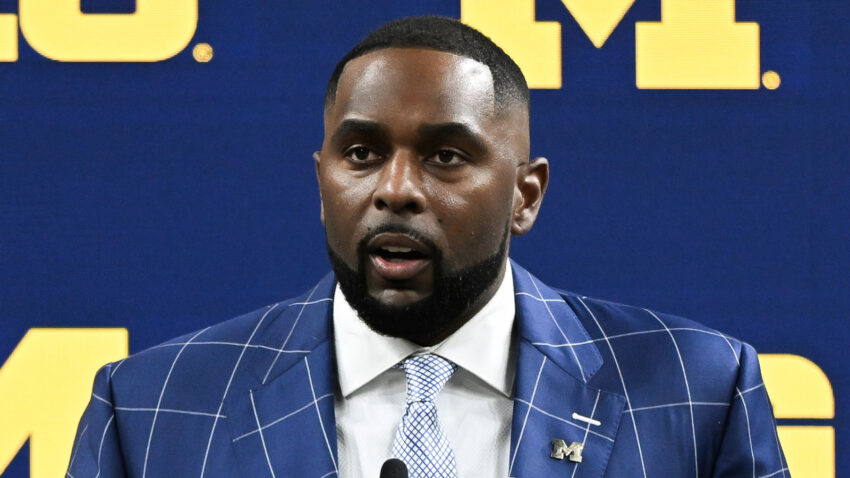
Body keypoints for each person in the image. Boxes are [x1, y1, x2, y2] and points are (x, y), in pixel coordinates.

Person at [67, 16, 788, 478]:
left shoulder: (696, 391)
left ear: (525, 196)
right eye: (361, 153)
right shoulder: (150, 410)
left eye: (445, 156)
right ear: (321, 183)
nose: (395, 189)